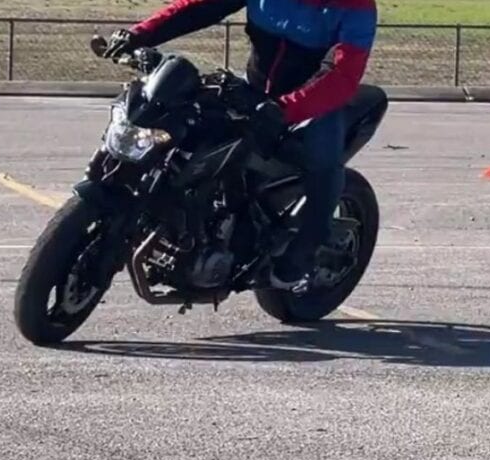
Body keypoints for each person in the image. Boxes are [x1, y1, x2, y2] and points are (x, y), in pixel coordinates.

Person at [102, 0, 378, 292]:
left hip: (314, 103)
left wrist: (283, 110)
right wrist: (140, 35)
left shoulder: (355, 6)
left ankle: (303, 254)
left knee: (323, 161)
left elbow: (341, 74)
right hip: (254, 90)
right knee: (191, 128)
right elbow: (201, 7)